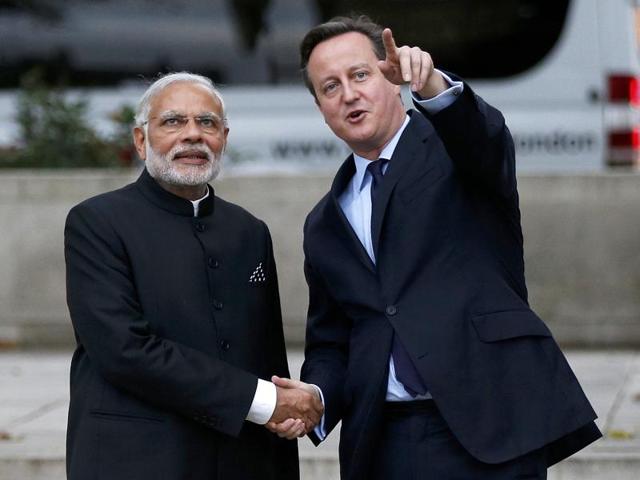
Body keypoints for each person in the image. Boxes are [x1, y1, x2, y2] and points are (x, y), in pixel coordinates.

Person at [270, 15, 601, 480]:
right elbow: (333, 340)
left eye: (360, 75)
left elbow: (483, 140)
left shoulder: (455, 150)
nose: (348, 94)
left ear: (391, 78)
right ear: (321, 108)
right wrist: (317, 398)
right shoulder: (323, 222)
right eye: (329, 87)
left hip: (490, 425)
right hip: (386, 441)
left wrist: (434, 86)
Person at [64, 72, 322, 480]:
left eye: (207, 123)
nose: (193, 135)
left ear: (224, 138)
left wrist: (283, 419)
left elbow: (266, 354)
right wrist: (262, 400)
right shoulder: (97, 223)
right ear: (140, 140)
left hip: (242, 461)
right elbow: (124, 350)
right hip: (136, 460)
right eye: (172, 121)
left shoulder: (249, 231)